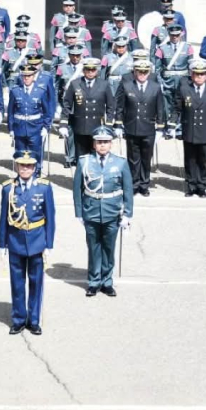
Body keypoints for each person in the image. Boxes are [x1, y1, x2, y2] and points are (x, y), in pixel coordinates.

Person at [73, 125, 134, 297]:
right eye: (99, 142)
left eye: (106, 142)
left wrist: (127, 214)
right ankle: (93, 281)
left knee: (108, 248)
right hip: (91, 210)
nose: (102, 145)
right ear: (93, 144)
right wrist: (79, 212)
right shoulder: (84, 162)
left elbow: (127, 190)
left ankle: (107, 281)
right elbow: (77, 189)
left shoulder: (120, 163)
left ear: (111, 144)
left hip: (112, 212)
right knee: (93, 248)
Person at [0, 151, 55, 335]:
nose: (25, 169)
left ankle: (34, 320)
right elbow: (2, 219)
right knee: (17, 282)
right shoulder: (8, 188)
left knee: (36, 282)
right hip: (15, 241)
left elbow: (50, 217)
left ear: (35, 168)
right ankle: (18, 319)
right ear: (16, 167)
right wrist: (2, 244)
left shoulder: (44, 188)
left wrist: (49, 245)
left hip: (37, 241)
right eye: (22, 165)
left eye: (29, 166)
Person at [112, 59, 165, 197]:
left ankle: (144, 184)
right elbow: (120, 106)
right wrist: (118, 123)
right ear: (134, 72)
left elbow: (160, 108)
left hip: (148, 128)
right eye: (139, 71)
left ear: (149, 73)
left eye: (145, 72)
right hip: (132, 127)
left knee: (146, 159)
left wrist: (160, 127)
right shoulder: (127, 85)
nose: (142, 74)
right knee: (133, 158)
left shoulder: (155, 87)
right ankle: (134, 184)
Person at [175, 60, 206, 198]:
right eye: (196, 74)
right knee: (190, 160)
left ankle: (201, 186)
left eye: (202, 74)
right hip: (189, 129)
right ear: (192, 75)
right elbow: (177, 108)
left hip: (205, 131)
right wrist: (173, 124)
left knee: (203, 160)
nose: (199, 77)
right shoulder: (185, 89)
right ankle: (191, 185)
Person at [61, 58, 115, 162]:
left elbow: (110, 106)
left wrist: (108, 124)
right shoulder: (75, 84)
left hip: (97, 126)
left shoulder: (104, 84)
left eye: (93, 70)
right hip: (80, 126)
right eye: (87, 70)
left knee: (96, 157)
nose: (90, 72)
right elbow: (67, 104)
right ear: (83, 70)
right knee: (81, 158)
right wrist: (63, 124)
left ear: (97, 71)